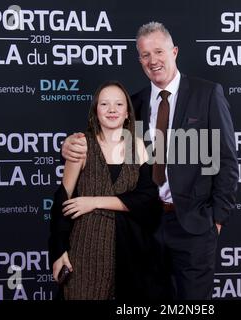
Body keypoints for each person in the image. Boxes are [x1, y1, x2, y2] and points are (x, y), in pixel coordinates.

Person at [62, 22, 238, 300]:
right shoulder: (134, 104)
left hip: (193, 226)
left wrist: (217, 220)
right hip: (145, 226)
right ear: (140, 60)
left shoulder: (207, 94)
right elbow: (102, 142)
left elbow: (227, 159)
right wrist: (70, 142)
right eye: (145, 55)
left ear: (175, 52)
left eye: (159, 51)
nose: (153, 60)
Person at [48, 80, 166, 300]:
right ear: (96, 110)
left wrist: (93, 202)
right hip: (85, 250)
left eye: (118, 104)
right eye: (105, 104)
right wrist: (58, 252)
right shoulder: (82, 145)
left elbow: (147, 200)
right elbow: (61, 200)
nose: (112, 110)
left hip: (131, 252)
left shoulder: (138, 146)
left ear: (127, 113)